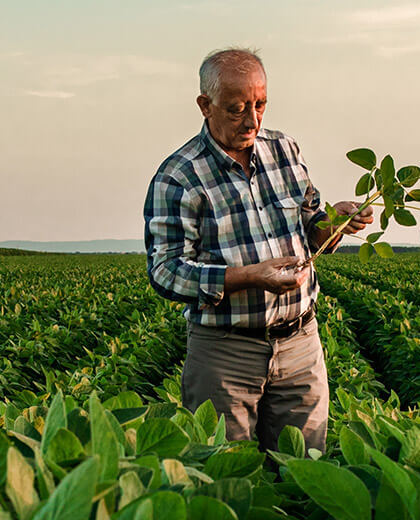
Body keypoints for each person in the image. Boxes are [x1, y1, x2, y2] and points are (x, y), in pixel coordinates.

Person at [144, 48, 373, 453]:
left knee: (304, 472)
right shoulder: (179, 176)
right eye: (236, 109)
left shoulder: (285, 150)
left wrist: (333, 223)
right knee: (227, 476)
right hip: (224, 353)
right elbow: (165, 271)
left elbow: (310, 227)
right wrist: (251, 276)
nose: (252, 120)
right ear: (205, 105)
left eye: (260, 104)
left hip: (301, 343)